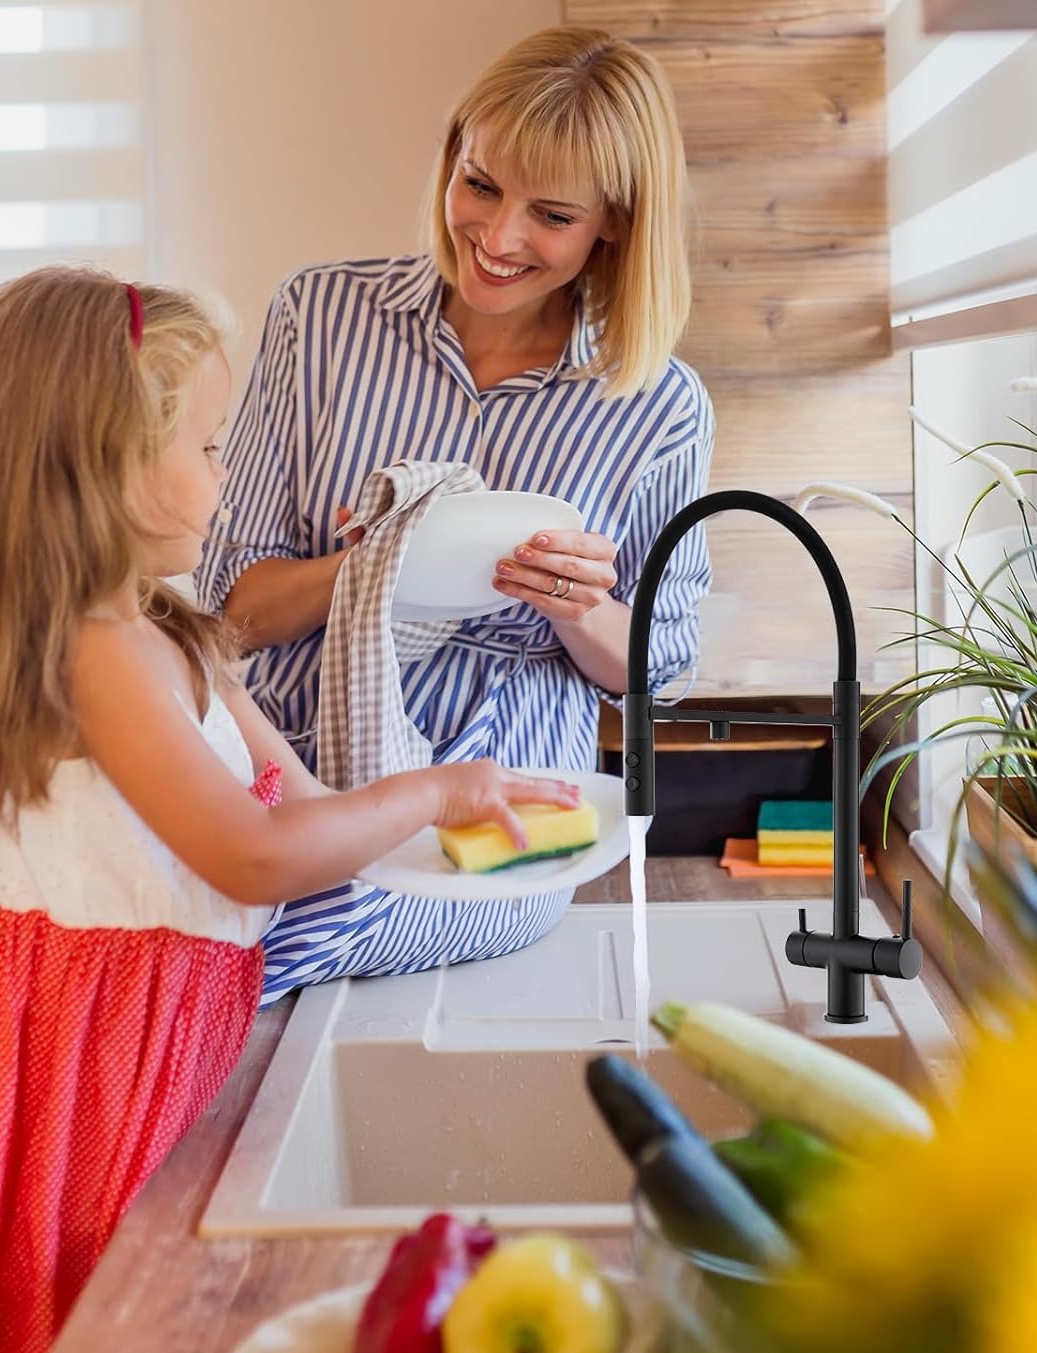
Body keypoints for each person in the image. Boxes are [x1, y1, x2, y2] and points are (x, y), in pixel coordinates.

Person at [0, 267, 574, 1353]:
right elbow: (250, 855)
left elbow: (308, 813)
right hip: (96, 1065)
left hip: (166, 1041)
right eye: (207, 445)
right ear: (103, 466)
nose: (227, 474)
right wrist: (434, 797)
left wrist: (489, 812)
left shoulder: (166, 631)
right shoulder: (99, 658)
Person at [189, 23, 716, 999]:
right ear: (453, 157)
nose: (499, 236)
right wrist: (381, 565)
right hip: (289, 747)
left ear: (615, 223)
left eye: (551, 214)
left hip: (503, 793)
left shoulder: (659, 406)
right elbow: (230, 612)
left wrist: (575, 606)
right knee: (106, 874)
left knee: (276, 908)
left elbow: (660, 667)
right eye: (480, 185)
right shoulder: (322, 317)